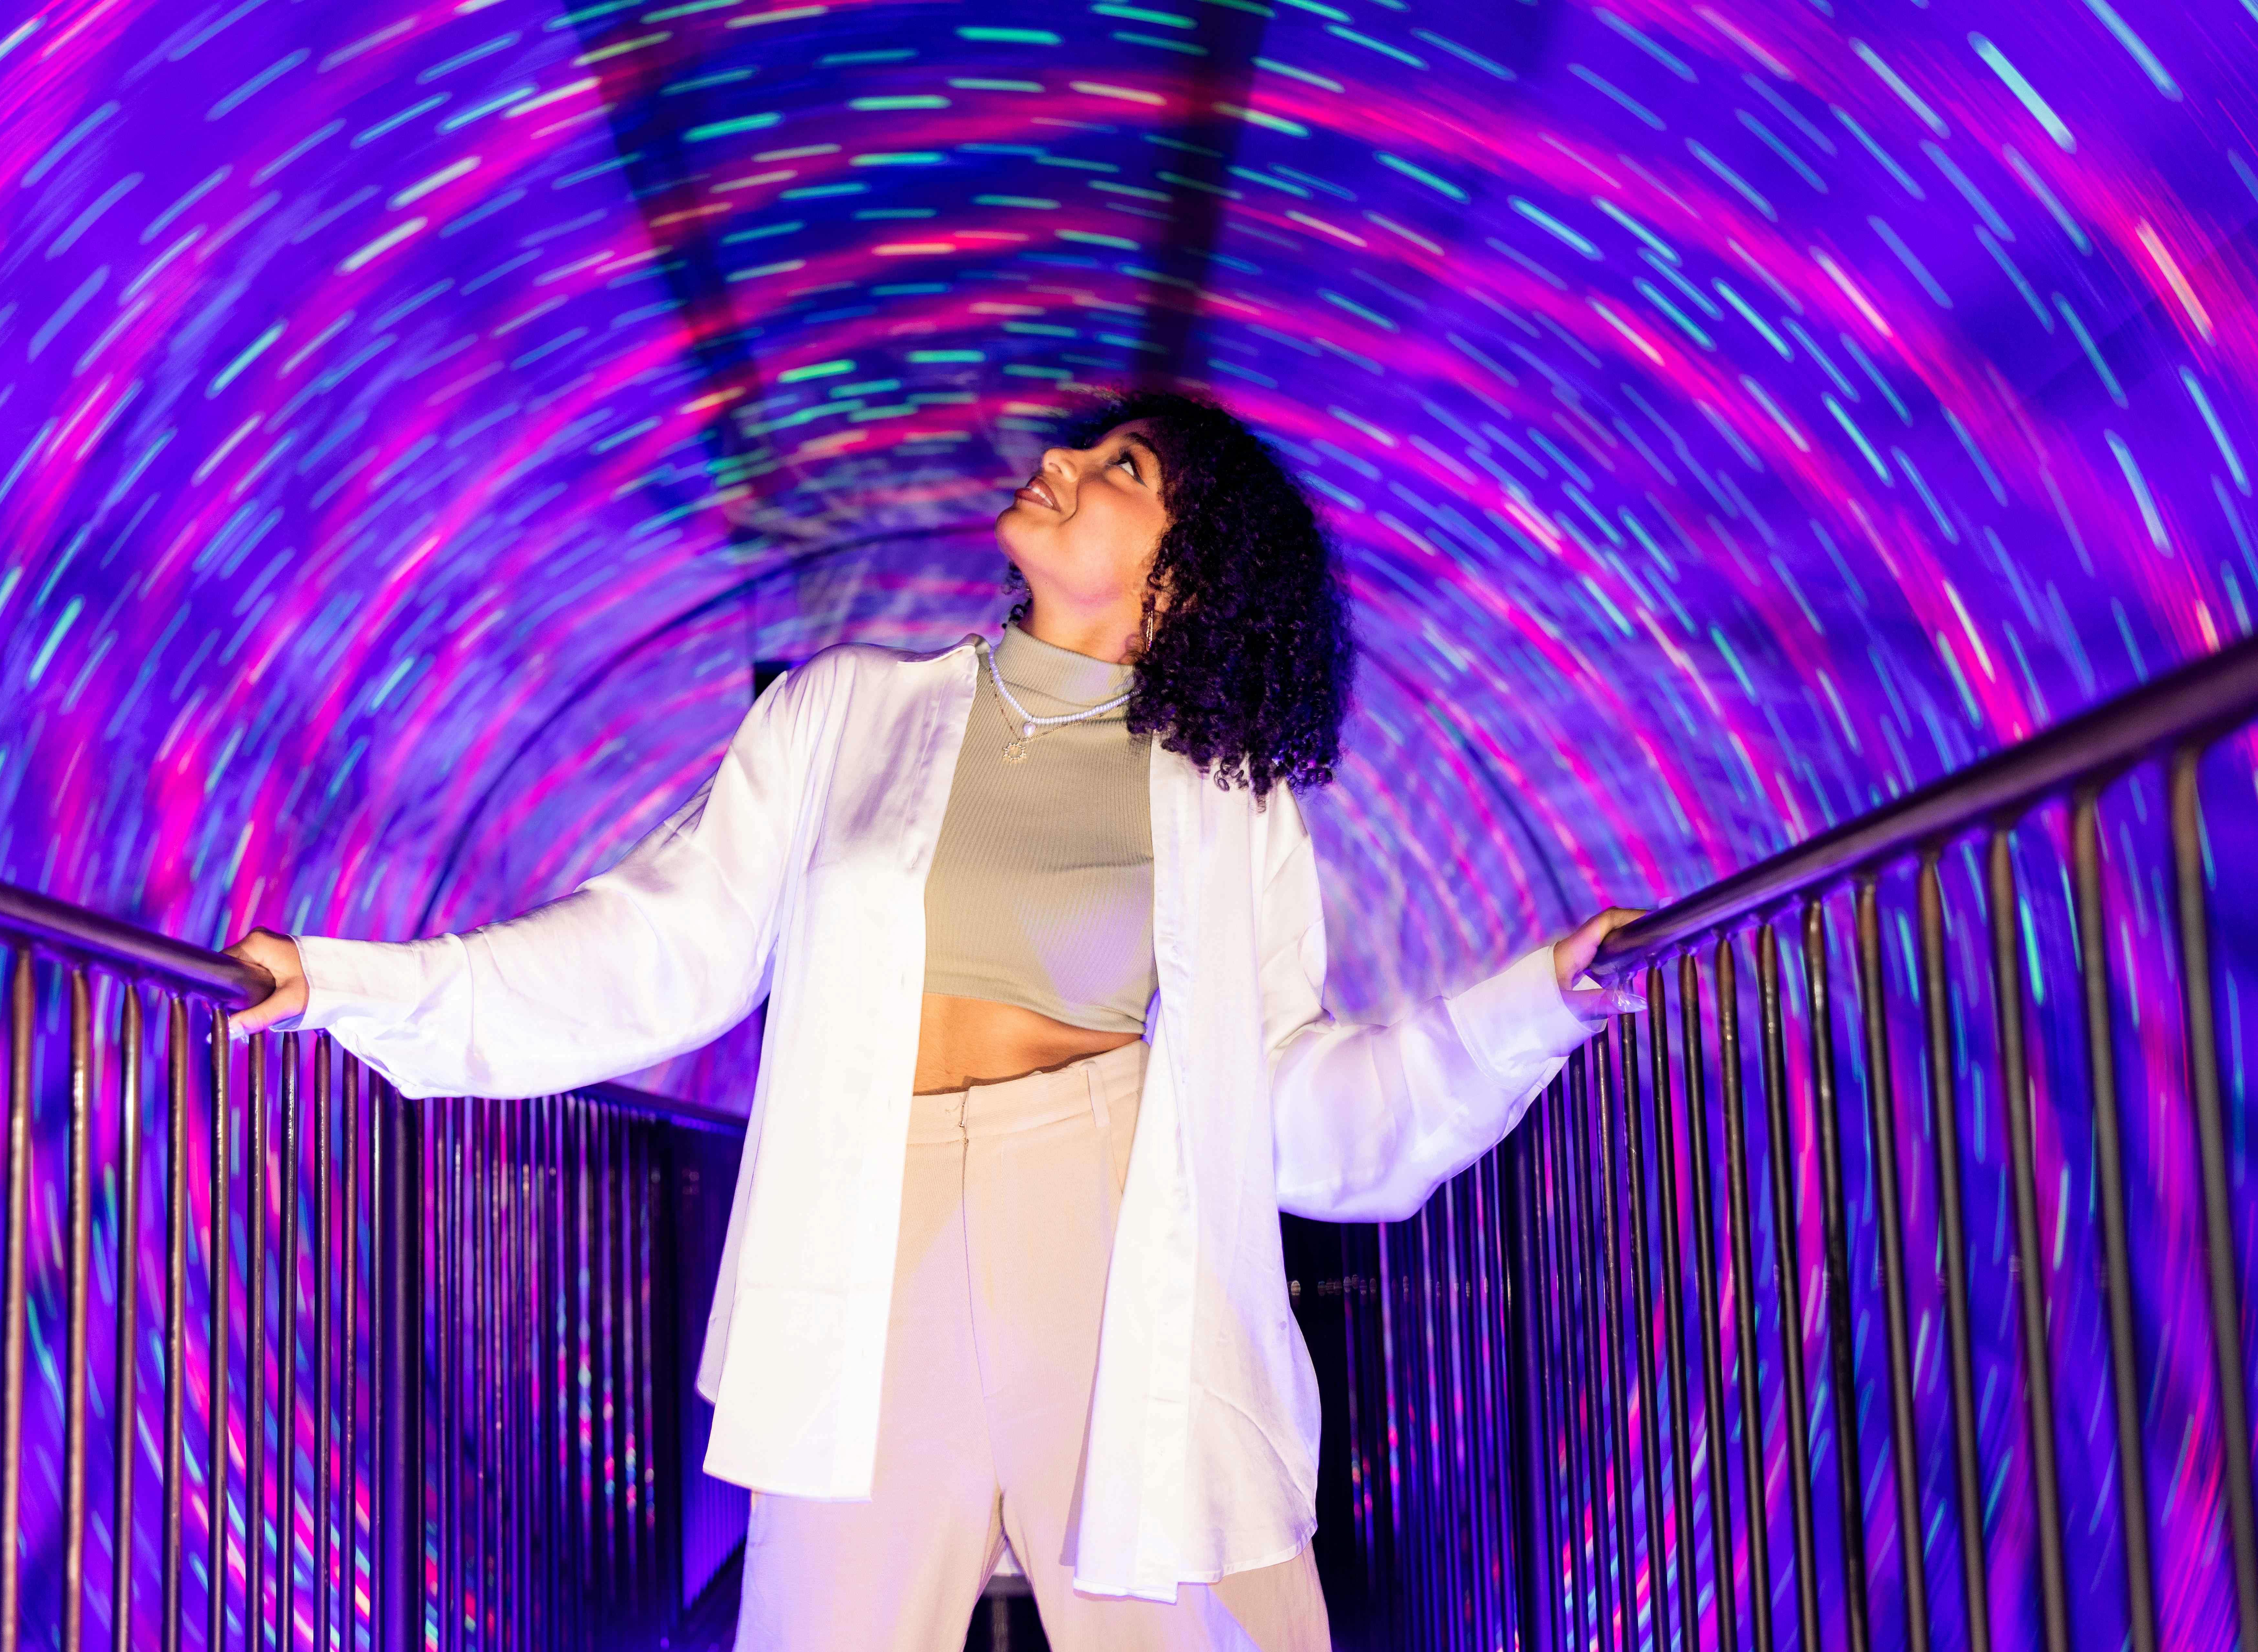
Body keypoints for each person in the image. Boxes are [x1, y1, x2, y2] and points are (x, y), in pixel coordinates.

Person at [227, 387, 1643, 1651]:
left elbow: (1293, 1104)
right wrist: (351, 986)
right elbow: (657, 948)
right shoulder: (845, 713)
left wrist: (1533, 1008)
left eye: (1123, 469)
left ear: (1184, 577)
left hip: (1107, 1228)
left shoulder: (1225, 799)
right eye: (1084, 446)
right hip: (865, 1238)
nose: (1061, 463)